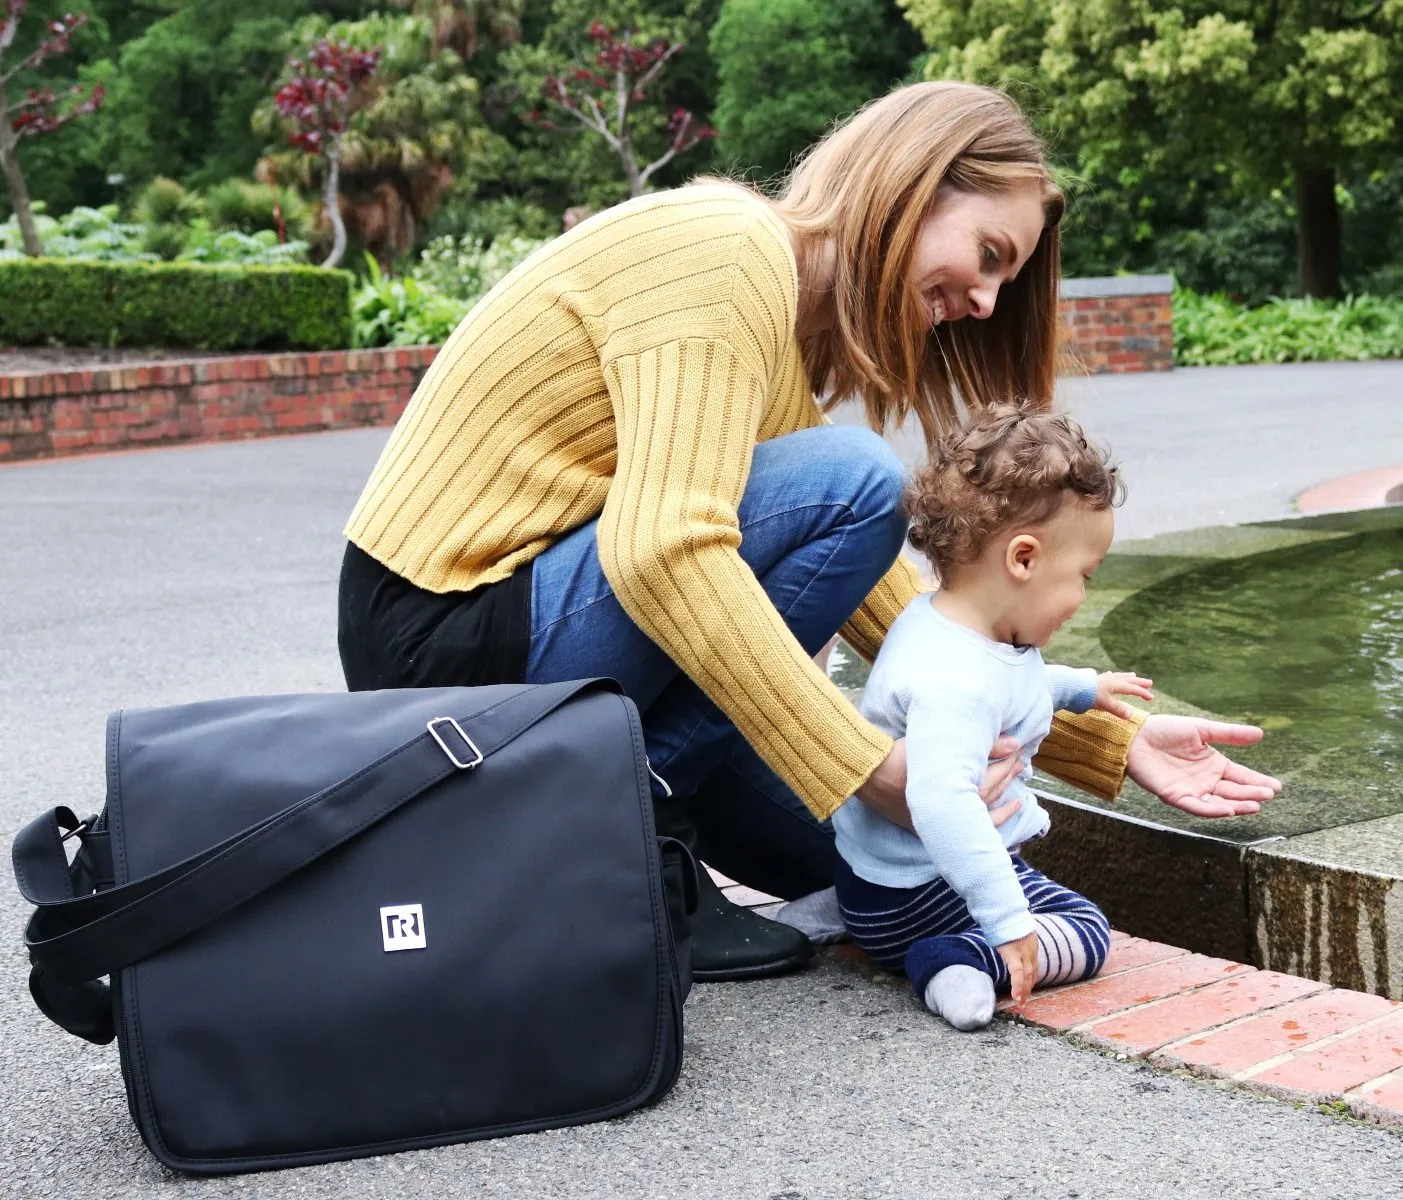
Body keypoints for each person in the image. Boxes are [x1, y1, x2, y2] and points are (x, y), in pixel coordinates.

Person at [336, 81, 1282, 981]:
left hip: (526, 629)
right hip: (445, 634)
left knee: (862, 865)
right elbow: (666, 549)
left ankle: (641, 831)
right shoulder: (721, 249)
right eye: (989, 254)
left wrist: (1102, 742)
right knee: (861, 482)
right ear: (915, 180)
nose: (988, 302)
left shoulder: (776, 324)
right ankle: (616, 859)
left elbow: (891, 604)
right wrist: (867, 764)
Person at [834, 405, 1156, 1030]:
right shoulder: (959, 684)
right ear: (1025, 559)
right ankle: (957, 960)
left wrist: (1082, 688)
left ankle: (848, 913)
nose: (1082, 599)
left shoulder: (941, 625)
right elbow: (942, 801)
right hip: (920, 899)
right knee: (1088, 930)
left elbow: (1013, 685)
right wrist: (1008, 923)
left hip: (875, 882)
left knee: (1022, 902)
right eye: (1083, 577)